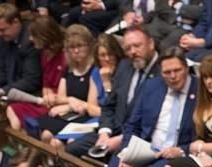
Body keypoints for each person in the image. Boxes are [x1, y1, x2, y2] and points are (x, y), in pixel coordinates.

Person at [65, 25, 159, 159]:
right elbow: (109, 106)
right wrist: (104, 132)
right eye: (128, 48)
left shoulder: (162, 73)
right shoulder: (125, 66)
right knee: (71, 150)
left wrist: (121, 139)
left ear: (151, 43)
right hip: (112, 131)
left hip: (137, 139)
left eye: (137, 46)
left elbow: (151, 121)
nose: (133, 51)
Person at [108, 47, 198, 167]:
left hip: (175, 153)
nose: (173, 76)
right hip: (146, 148)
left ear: (186, 68)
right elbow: (133, 124)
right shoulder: (151, 86)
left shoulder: (200, 91)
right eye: (167, 72)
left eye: (177, 70)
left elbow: (202, 136)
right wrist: (129, 152)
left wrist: (182, 150)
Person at [35, 25, 102, 151]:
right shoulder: (69, 69)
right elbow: (61, 98)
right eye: (72, 47)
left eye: (80, 46)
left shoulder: (94, 70)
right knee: (46, 135)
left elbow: (90, 107)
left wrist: (70, 104)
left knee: (62, 142)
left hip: (88, 117)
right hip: (71, 114)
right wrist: (71, 102)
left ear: (89, 46)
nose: (76, 51)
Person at [3, 14, 64, 132]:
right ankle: (18, 146)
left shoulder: (64, 56)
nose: (30, 39)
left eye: (33, 35)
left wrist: (53, 97)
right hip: (45, 100)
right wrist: (47, 93)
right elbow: (46, 83)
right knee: (12, 108)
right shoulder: (44, 54)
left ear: (44, 36)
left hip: (60, 102)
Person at [0, 4, 43, 104]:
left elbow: (31, 81)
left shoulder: (30, 41)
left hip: (31, 95)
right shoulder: (3, 39)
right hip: (10, 90)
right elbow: (2, 72)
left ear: (16, 22)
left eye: (2, 30)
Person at [94, 32, 125, 101]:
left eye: (110, 54)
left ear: (116, 53)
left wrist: (107, 83)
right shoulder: (96, 72)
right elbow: (91, 105)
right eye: (102, 55)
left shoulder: (125, 71)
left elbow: (115, 108)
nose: (107, 58)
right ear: (97, 57)